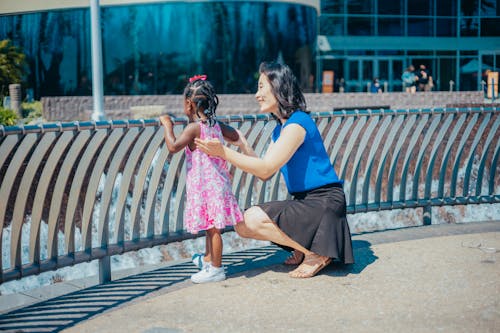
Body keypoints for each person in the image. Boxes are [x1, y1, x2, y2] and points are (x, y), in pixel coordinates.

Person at [195, 62, 354, 278]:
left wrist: (223, 152)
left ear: (278, 87)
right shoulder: (280, 129)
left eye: (261, 87)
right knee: (242, 224)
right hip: (304, 201)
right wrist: (243, 145)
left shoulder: (298, 124)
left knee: (250, 219)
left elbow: (265, 169)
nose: (257, 95)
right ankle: (303, 247)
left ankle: (315, 253)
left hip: (324, 202)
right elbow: (266, 171)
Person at [159, 74, 242, 284]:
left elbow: (173, 147)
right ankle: (208, 261)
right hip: (217, 184)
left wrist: (167, 125)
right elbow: (234, 136)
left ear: (189, 104)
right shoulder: (214, 125)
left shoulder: (194, 128)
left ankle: (216, 269)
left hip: (206, 187)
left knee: (214, 231)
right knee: (211, 227)